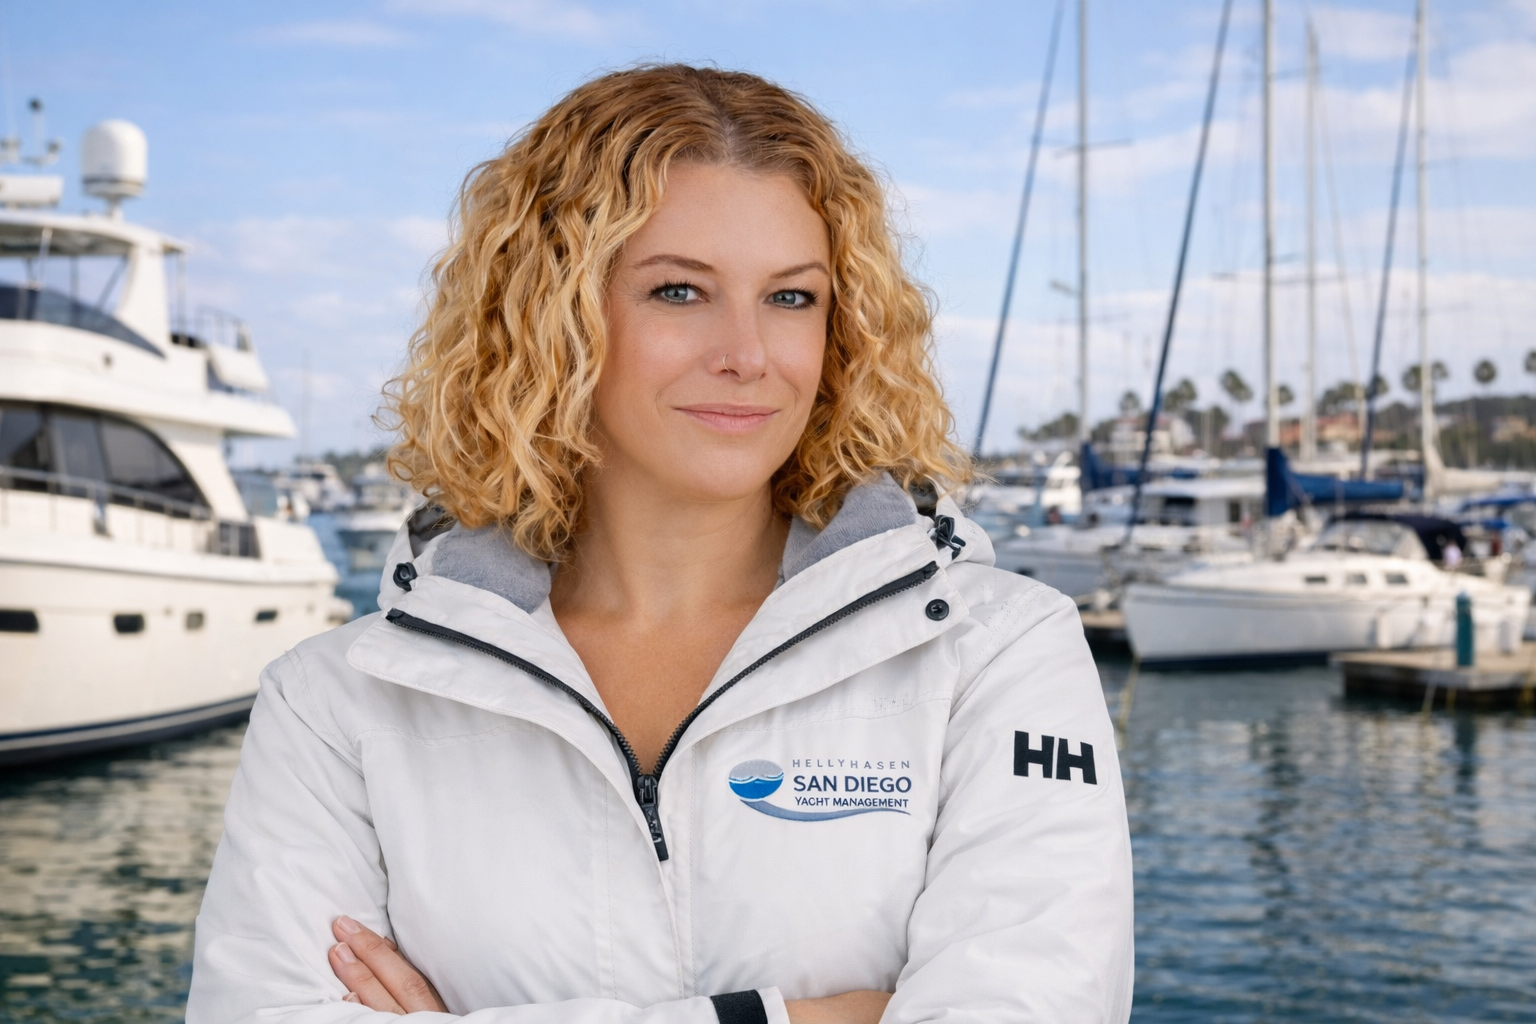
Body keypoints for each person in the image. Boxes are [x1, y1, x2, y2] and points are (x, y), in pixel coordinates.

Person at [188, 65, 1133, 1024]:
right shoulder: (337, 702)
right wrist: (814, 1016)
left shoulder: (995, 653)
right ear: (552, 317)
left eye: (792, 298)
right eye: (679, 291)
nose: (748, 355)